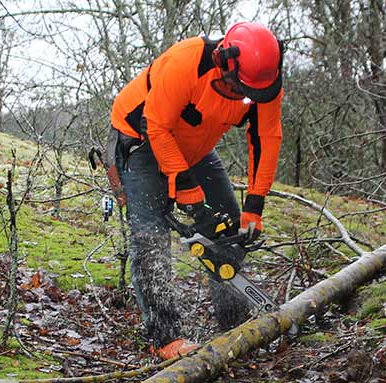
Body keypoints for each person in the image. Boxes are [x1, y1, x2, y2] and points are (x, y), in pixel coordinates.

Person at [109, 22, 284, 359]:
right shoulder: (187, 62)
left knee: (229, 226)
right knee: (150, 236)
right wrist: (185, 186)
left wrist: (255, 204)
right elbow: (155, 124)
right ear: (225, 61)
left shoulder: (264, 80)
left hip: (195, 146)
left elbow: (266, 137)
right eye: (239, 87)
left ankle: (233, 322)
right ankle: (164, 337)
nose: (244, 95)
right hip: (141, 139)